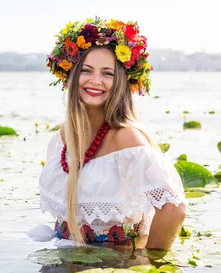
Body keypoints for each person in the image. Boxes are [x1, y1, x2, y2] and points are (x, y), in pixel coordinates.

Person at [39, 17, 187, 250]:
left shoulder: (127, 138)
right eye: (86, 70)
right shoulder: (66, 133)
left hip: (111, 266)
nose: (95, 81)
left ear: (120, 82)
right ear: (71, 76)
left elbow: (174, 209)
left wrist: (151, 266)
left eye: (107, 73)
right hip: (66, 256)